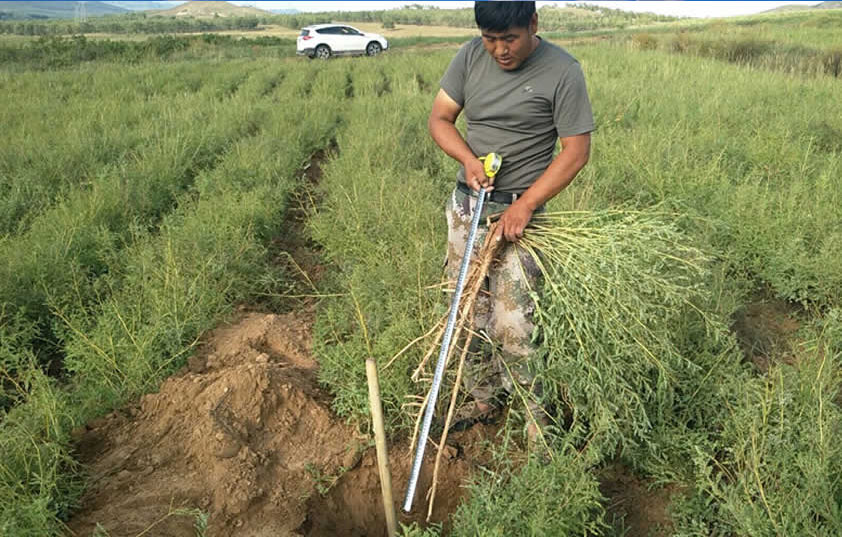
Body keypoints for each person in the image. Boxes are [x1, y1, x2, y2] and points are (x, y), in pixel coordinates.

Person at [428, 1, 594, 445]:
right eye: (490, 39)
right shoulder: (468, 57)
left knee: (514, 322)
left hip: (523, 216)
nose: (499, 50)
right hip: (468, 209)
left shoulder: (563, 71)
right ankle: (485, 399)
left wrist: (527, 204)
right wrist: (467, 159)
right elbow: (440, 119)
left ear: (533, 25)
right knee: (465, 312)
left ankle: (539, 422)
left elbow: (575, 151)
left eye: (510, 39)